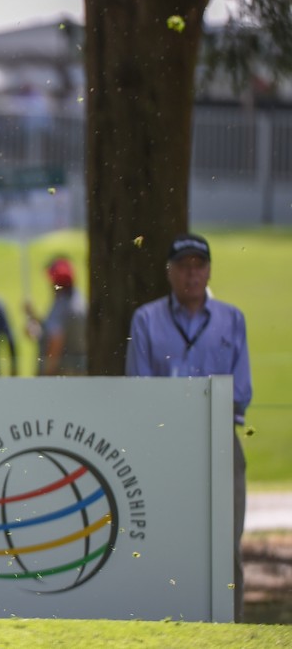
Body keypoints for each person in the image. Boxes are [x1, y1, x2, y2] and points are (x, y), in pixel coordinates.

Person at [125, 232, 251, 622]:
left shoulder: (232, 319)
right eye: (183, 267)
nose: (191, 275)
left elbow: (241, 389)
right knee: (161, 537)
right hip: (163, 444)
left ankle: (230, 625)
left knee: (225, 541)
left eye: (199, 266)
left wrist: (185, 401)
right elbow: (139, 387)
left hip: (219, 442)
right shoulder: (146, 319)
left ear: (209, 270)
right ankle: (160, 617)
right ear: (170, 272)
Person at [24, 257, 87, 375]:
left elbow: (56, 340)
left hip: (62, 375)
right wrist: (33, 316)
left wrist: (47, 373)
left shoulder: (62, 306)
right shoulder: (79, 299)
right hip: (78, 372)